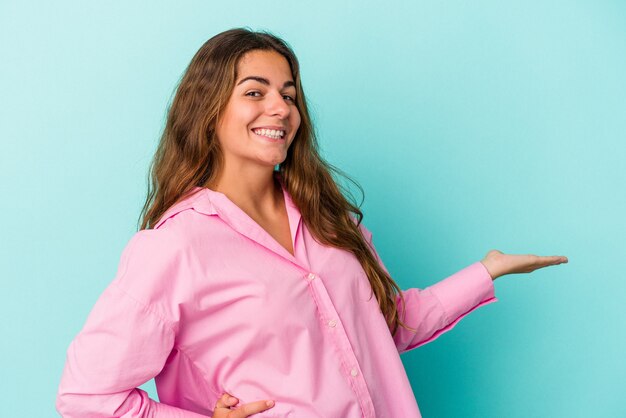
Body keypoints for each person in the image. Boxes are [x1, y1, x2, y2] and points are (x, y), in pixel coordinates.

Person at [56, 28, 568, 418]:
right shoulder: (177, 246)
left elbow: (386, 325)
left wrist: (487, 271)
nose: (281, 107)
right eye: (255, 92)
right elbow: (87, 395)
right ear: (207, 110)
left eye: (290, 93)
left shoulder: (330, 219)